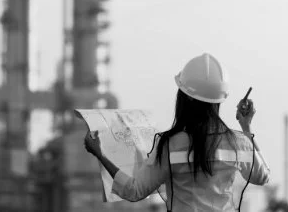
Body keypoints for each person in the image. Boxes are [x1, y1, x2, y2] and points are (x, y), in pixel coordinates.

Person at [84, 53, 270, 211]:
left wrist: (100, 154)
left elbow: (134, 191)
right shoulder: (239, 142)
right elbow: (262, 177)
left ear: (185, 98)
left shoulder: (169, 145)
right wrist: (246, 127)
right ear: (219, 99)